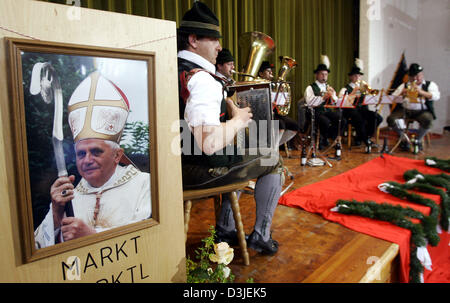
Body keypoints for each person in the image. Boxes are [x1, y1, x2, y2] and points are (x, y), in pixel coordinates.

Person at [177, 2, 282, 255]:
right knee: (273, 158)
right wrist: (238, 120)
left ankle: (225, 228)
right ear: (193, 40)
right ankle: (261, 234)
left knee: (238, 151)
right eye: (213, 39)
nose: (219, 47)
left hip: (173, 167)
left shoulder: (172, 68)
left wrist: (228, 107)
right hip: (197, 171)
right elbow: (209, 142)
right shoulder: (202, 79)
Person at [34, 71, 151, 249]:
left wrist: (93, 237)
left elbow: (150, 238)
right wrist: (57, 216)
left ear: (117, 155)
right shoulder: (69, 196)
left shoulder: (144, 184)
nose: (87, 160)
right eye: (81, 154)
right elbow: (37, 247)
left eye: (96, 152)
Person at [387, 63, 440, 151]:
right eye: (412, 76)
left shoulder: (429, 84)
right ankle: (404, 139)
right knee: (391, 119)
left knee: (428, 120)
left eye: (417, 76)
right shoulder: (404, 85)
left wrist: (421, 92)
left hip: (421, 111)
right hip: (406, 110)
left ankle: (417, 140)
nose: (415, 79)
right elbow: (392, 99)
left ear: (421, 74)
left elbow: (436, 96)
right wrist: (402, 93)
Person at [338, 59, 382, 147]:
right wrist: (353, 93)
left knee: (377, 118)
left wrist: (372, 97)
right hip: (350, 111)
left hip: (361, 110)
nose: (358, 78)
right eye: (355, 76)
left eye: (359, 76)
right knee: (359, 119)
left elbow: (368, 99)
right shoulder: (345, 88)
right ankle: (366, 140)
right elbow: (341, 100)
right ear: (351, 77)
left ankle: (362, 137)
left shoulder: (363, 88)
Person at [304, 56, 345, 150]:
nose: (324, 77)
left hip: (325, 111)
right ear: (317, 75)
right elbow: (309, 102)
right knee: (325, 122)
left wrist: (332, 96)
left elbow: (336, 103)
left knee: (341, 120)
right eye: (322, 74)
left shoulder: (328, 87)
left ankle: (333, 138)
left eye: (326, 75)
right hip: (314, 112)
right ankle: (323, 140)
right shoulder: (310, 87)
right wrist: (323, 97)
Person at [258, 61, 301, 149]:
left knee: (295, 126)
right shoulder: (258, 85)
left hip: (274, 113)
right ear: (261, 74)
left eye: (271, 71)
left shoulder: (273, 85)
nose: (271, 73)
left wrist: (281, 94)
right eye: (268, 71)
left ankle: (273, 147)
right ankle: (273, 150)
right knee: (280, 125)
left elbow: (280, 104)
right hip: (263, 114)